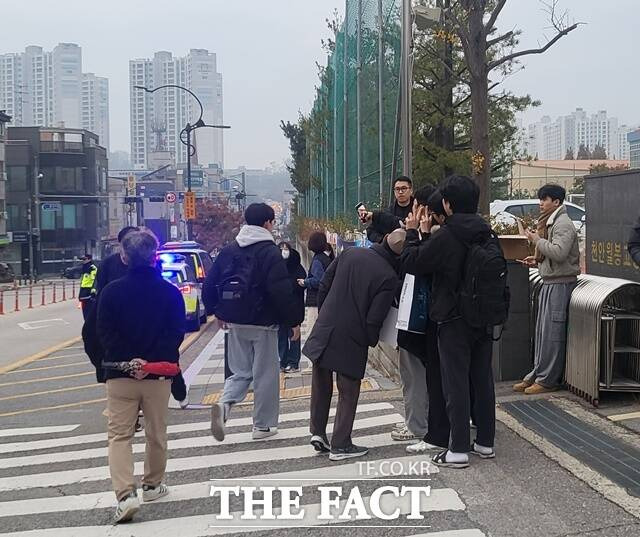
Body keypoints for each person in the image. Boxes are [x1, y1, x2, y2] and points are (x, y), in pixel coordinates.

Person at [401, 175, 498, 469]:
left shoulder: (448, 235)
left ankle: (456, 449)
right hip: (484, 316)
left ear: (447, 204)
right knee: (482, 379)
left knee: (454, 381)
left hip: (454, 318)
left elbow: (413, 263)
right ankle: (485, 442)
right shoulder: (486, 231)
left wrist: (414, 233)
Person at [97, 229, 186, 523]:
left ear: (124, 257)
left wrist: (130, 360)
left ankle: (125, 494)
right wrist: (148, 362)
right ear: (155, 256)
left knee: (119, 435)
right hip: (158, 374)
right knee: (156, 433)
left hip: (120, 374)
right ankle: (152, 484)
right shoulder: (170, 292)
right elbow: (175, 334)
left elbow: (104, 334)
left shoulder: (111, 292)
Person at [203, 203, 303, 442]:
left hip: (235, 321)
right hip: (264, 323)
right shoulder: (270, 252)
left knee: (240, 371)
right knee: (266, 375)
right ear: (268, 223)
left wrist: (217, 311)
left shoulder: (229, 250)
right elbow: (280, 290)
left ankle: (225, 405)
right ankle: (263, 426)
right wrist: (293, 321)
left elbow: (209, 284)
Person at [302, 229, 404, 461]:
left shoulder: (350, 254)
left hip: (327, 325)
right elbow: (374, 319)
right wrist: (370, 339)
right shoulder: (388, 276)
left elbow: (325, 283)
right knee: (348, 390)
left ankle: (318, 432)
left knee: (321, 380)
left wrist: (325, 312)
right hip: (352, 334)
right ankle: (341, 444)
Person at [515, 184, 580, 394]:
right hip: (551, 282)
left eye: (545, 199)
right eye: (541, 199)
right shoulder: (551, 222)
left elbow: (560, 253)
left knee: (553, 334)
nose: (541, 203)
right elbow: (554, 256)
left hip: (560, 285)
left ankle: (547, 380)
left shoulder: (562, 224)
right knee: (543, 334)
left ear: (557, 202)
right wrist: (537, 260)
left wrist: (536, 240)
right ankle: (537, 374)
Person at [391, 185, 435, 442]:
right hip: (434, 319)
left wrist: (411, 232)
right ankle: (422, 422)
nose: (412, 211)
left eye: (416, 206)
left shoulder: (425, 237)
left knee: (414, 376)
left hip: (416, 319)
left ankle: (417, 426)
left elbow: (409, 264)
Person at [278, 241, 306, 373]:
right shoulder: (276, 266)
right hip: (280, 309)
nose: (284, 251)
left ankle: (294, 362)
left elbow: (301, 282)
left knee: (294, 335)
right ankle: (282, 362)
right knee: (281, 337)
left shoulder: (297, 266)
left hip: (295, 307)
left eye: (286, 248)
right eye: (281, 248)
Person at [359, 176, 414, 243]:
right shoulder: (389, 211)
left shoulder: (417, 209)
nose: (400, 192)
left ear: (411, 190)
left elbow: (403, 222)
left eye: (404, 188)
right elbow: (370, 231)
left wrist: (375, 215)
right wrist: (384, 241)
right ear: (394, 191)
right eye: (397, 189)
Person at [299, 232, 335, 325]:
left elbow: (319, 281)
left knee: (312, 331)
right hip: (325, 301)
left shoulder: (317, 260)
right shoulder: (326, 259)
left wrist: (305, 282)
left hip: (315, 302)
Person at [78, 254, 98, 321]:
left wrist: (93, 290)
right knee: (85, 314)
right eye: (82, 259)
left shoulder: (92, 268)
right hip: (83, 293)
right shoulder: (85, 268)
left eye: (84, 259)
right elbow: (83, 282)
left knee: (89, 314)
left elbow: (95, 280)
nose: (83, 261)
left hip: (89, 293)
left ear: (89, 259)